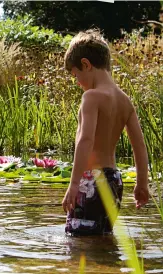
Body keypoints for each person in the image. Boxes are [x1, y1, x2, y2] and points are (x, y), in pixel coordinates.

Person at [62, 29, 149, 235]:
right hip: (114, 180)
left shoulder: (91, 97)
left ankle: (91, 269)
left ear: (86, 64)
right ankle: (108, 268)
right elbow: (139, 145)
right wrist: (142, 184)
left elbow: (85, 141)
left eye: (76, 75)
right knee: (102, 237)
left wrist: (74, 184)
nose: (77, 82)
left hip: (92, 180)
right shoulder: (124, 100)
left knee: (77, 240)